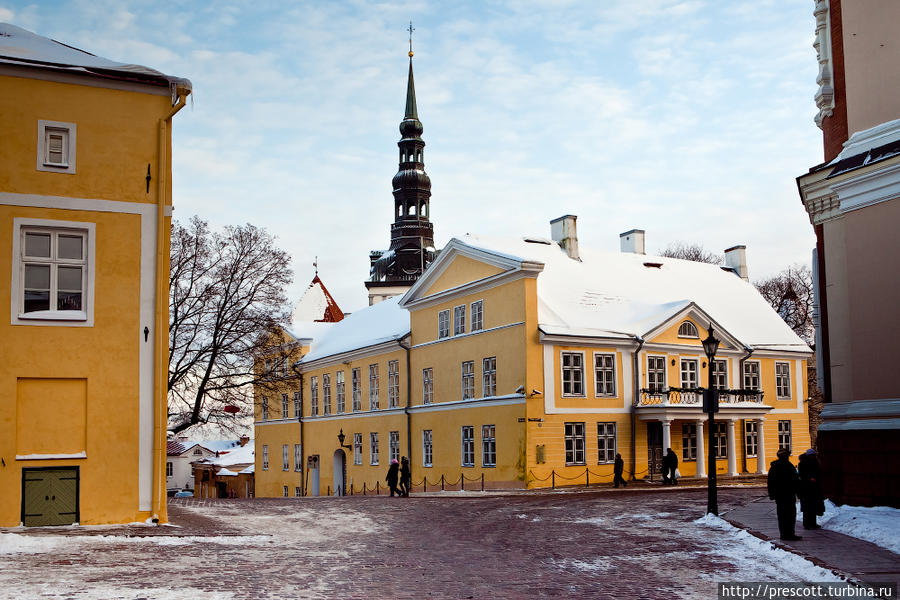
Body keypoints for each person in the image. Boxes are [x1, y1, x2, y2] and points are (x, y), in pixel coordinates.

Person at [768, 448, 802, 540]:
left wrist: (772, 494)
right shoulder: (788, 466)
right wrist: (798, 492)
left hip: (780, 495)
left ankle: (784, 534)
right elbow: (795, 480)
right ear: (785, 456)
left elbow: (770, 482)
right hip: (788, 494)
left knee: (782, 515)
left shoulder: (774, 467)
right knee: (790, 515)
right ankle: (789, 534)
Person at [798, 448, 824, 529]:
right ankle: (807, 524)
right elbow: (802, 475)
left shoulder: (816, 462)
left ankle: (813, 523)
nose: (813, 456)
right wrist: (809, 478)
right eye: (811, 455)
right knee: (807, 507)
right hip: (806, 488)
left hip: (815, 488)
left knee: (813, 506)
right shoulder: (803, 463)